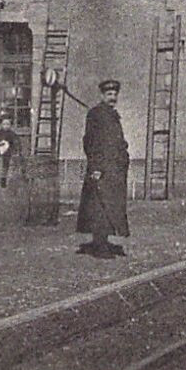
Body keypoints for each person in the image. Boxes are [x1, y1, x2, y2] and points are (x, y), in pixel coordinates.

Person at [77, 79, 130, 258]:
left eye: (115, 94)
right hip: (102, 169)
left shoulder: (112, 115)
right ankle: (100, 247)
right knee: (99, 207)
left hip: (114, 169)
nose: (112, 97)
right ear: (102, 95)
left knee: (111, 206)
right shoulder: (96, 114)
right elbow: (90, 142)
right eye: (109, 94)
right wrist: (96, 167)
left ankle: (105, 242)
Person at [0, 113, 21, 188]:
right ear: (1, 124)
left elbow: (16, 143)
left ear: (10, 125)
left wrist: (13, 148)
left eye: (8, 124)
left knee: (6, 160)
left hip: (8, 151)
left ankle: (3, 178)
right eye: (4, 124)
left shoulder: (12, 134)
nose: (6, 126)